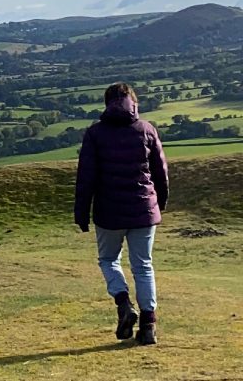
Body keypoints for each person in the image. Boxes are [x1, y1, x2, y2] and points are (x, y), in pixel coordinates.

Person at [76, 82, 168, 346]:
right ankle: (149, 327)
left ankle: (123, 302)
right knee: (143, 265)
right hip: (143, 211)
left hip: (109, 212)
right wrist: (159, 204)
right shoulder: (146, 129)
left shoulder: (95, 134)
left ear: (106, 104)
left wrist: (82, 212)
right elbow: (160, 172)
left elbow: (86, 177)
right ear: (134, 103)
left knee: (108, 259)